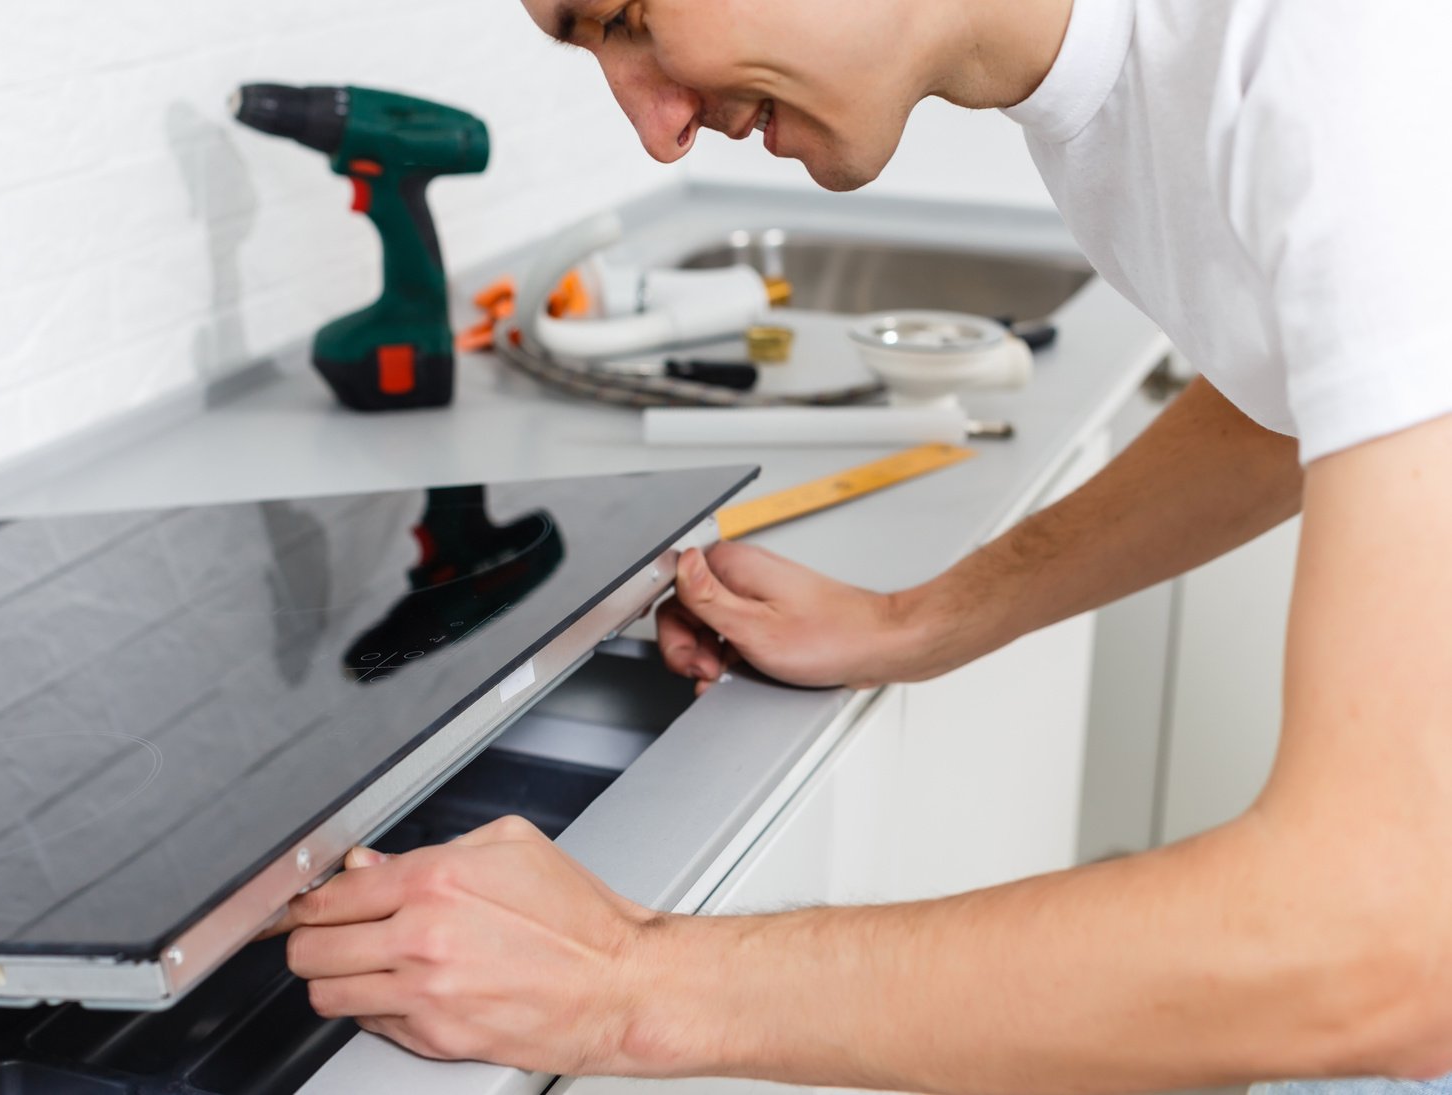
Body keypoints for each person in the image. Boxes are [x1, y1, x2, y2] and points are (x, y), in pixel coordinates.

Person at [272, 0, 1452, 1090]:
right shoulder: (1147, 78)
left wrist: (627, 984)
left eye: (630, 16)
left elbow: (1383, 940)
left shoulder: (1337, 55)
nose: (655, 127)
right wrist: (923, 619)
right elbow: (1292, 386)